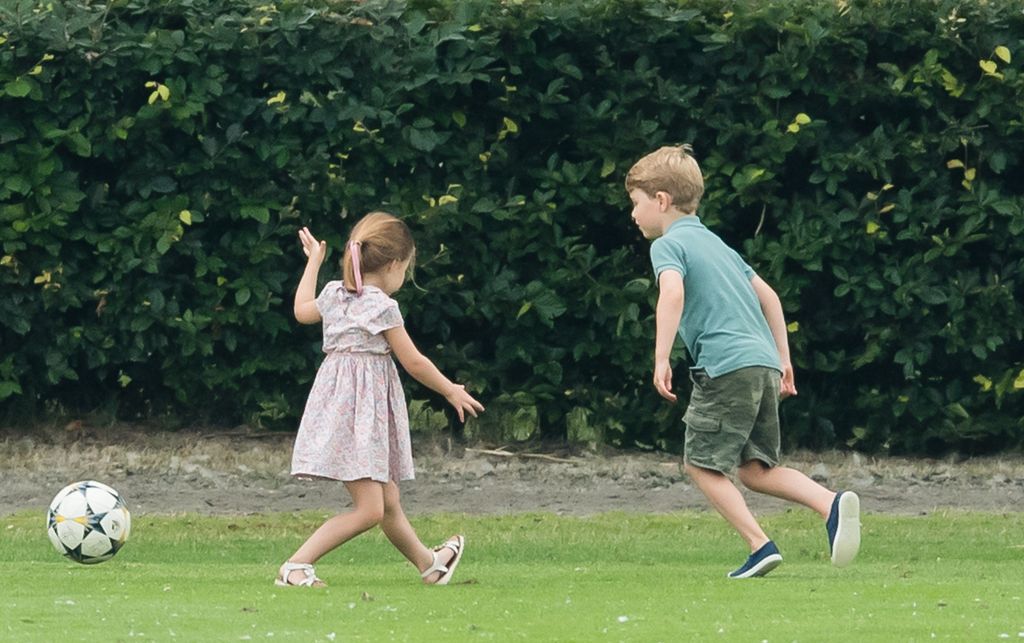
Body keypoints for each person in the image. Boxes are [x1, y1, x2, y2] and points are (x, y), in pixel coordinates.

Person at [625, 145, 860, 579]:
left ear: (661, 200)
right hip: (763, 364)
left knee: (699, 463)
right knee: (755, 469)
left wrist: (661, 358)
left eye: (636, 204)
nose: (633, 215)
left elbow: (672, 294)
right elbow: (769, 296)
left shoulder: (668, 245)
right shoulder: (717, 244)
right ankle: (830, 504)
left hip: (725, 367)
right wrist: (783, 359)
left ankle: (759, 545)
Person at [276, 211, 485, 588]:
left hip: (341, 412)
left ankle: (430, 564)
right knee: (371, 509)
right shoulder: (381, 306)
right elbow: (414, 362)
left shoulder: (335, 294)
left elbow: (300, 310)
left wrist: (313, 264)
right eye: (406, 267)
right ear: (392, 265)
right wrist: (451, 389)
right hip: (359, 417)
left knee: (388, 502)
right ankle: (296, 566)